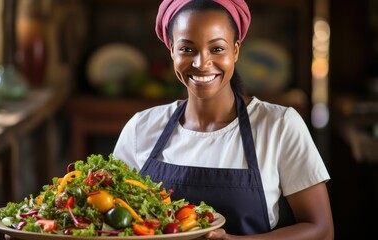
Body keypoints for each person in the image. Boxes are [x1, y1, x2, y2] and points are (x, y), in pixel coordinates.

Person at [113, 0, 334, 239]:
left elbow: (320, 229)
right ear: (171, 51)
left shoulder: (278, 125)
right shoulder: (141, 127)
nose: (201, 63)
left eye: (217, 48)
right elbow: (111, 220)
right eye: (186, 49)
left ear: (236, 50)